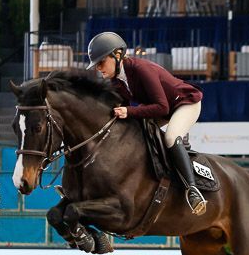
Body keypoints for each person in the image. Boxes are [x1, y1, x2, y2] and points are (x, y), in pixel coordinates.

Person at [86, 31, 207, 216]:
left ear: (117, 55)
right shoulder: (117, 81)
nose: (98, 68)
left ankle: (192, 190)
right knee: (131, 136)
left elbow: (162, 108)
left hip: (184, 103)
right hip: (160, 107)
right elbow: (121, 112)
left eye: (101, 62)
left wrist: (130, 111)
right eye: (96, 65)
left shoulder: (141, 69)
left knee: (171, 136)